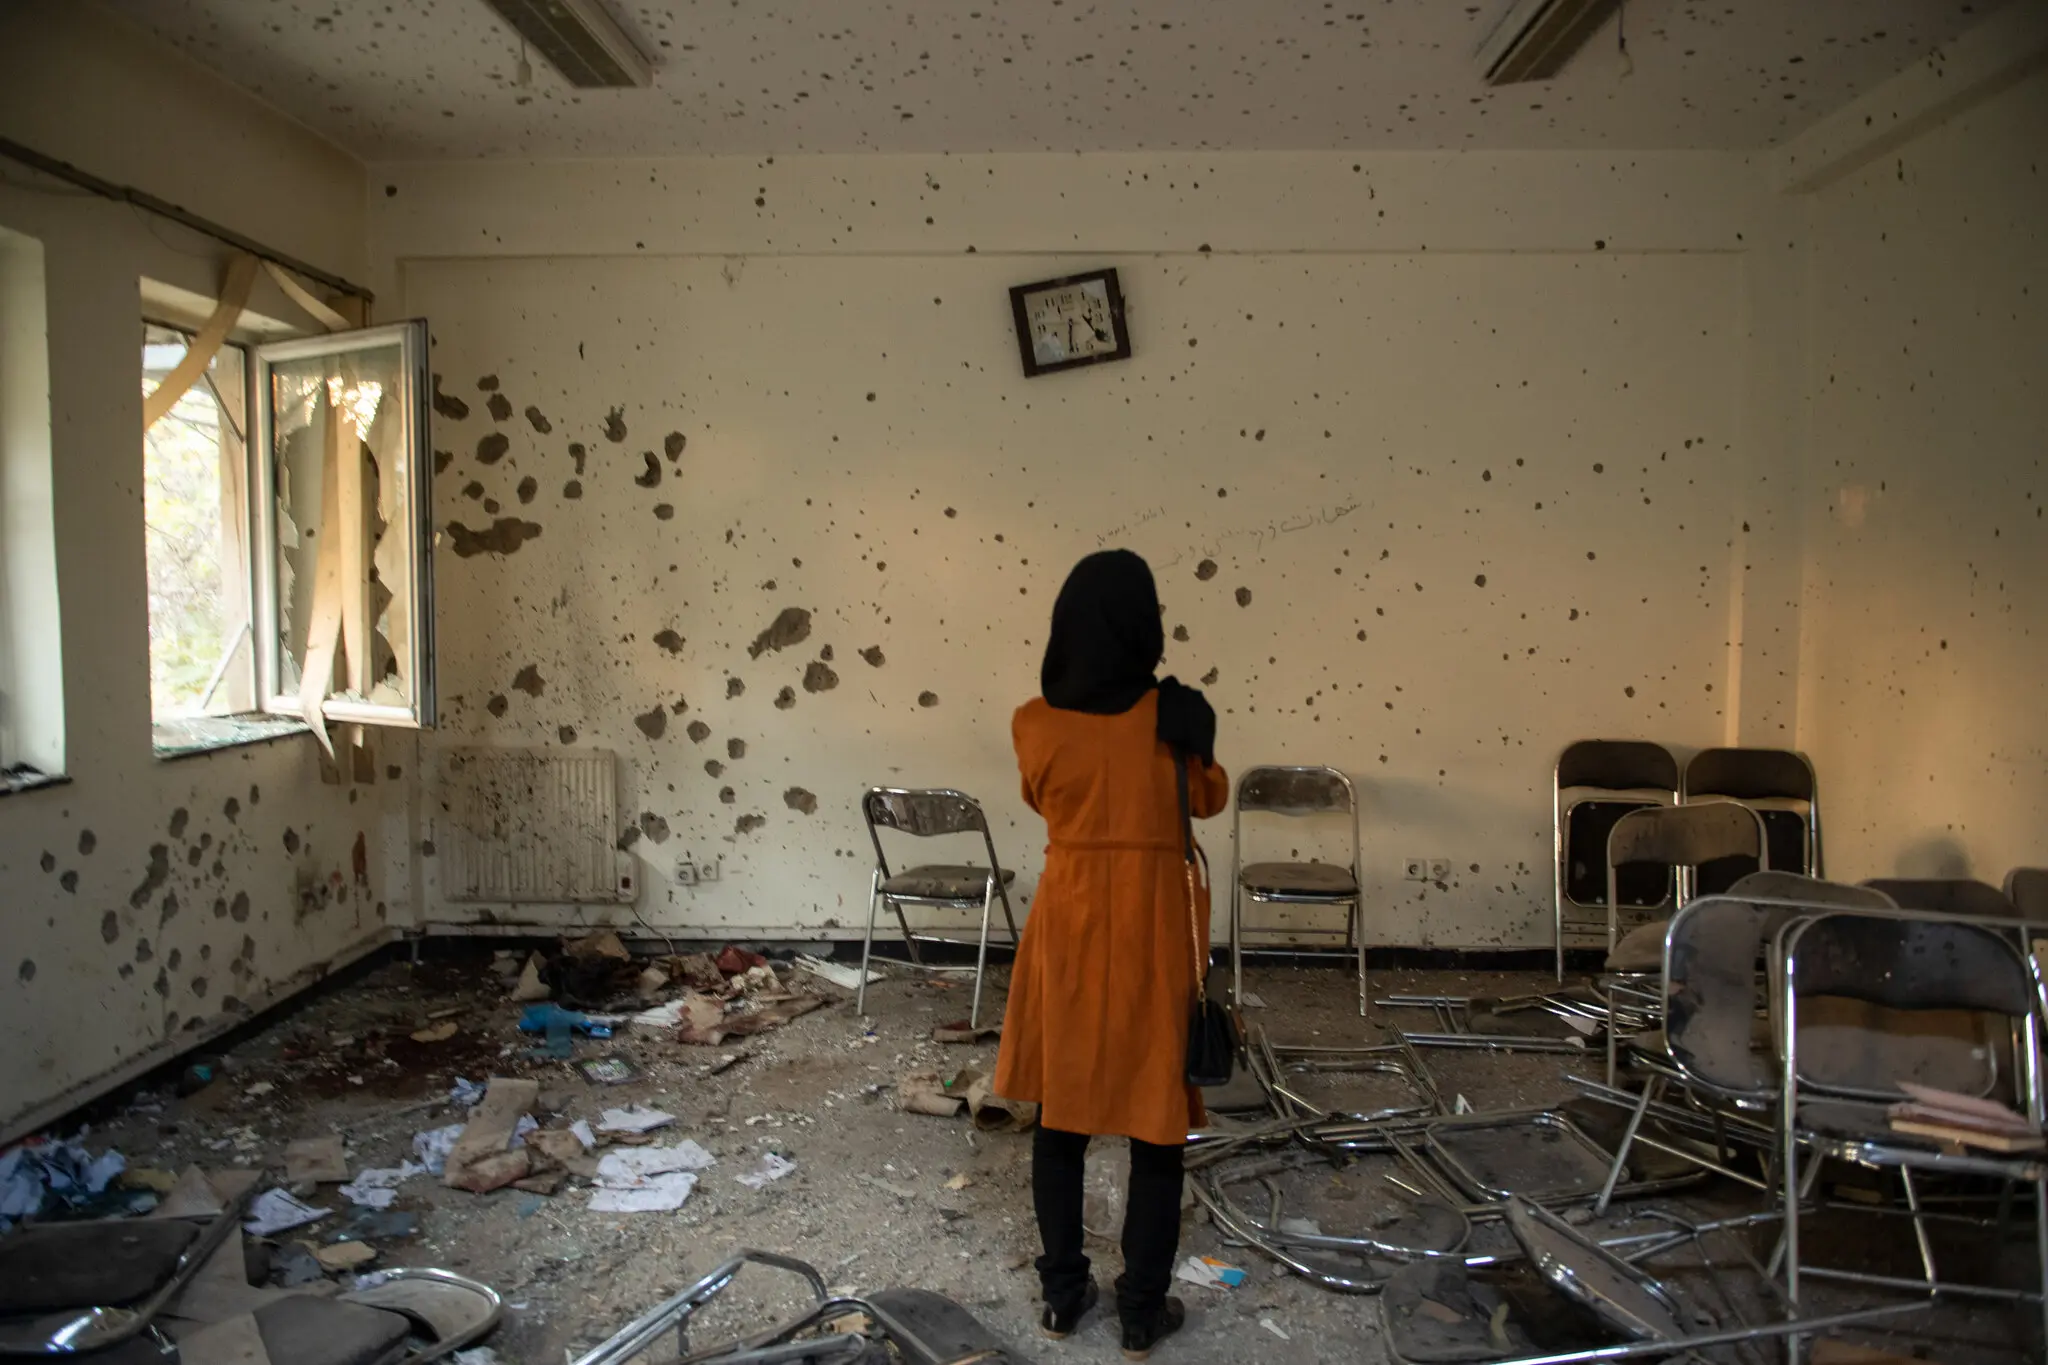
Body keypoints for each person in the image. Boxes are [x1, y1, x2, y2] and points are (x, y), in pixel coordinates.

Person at [994, 549, 1228, 1360]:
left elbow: (1038, 795)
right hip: (1153, 929)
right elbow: (1209, 796)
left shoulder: (1034, 720)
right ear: (1146, 625)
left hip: (1068, 921)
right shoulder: (1173, 716)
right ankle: (1140, 1310)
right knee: (1155, 1127)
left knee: (1059, 1118)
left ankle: (1062, 1298)